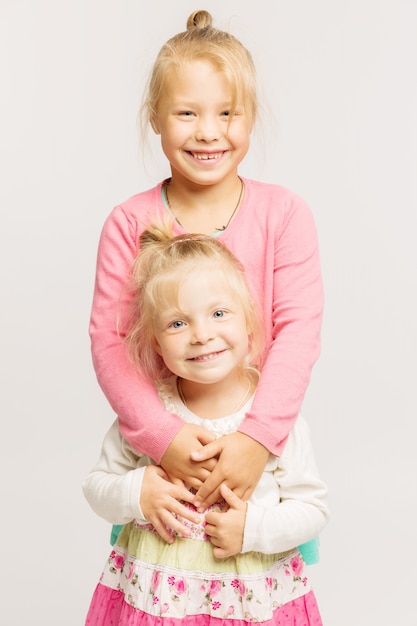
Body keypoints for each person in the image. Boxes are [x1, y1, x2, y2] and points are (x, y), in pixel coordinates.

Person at [89, 9, 324, 551]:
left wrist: (256, 440)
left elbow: (298, 333)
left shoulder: (284, 214)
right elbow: (109, 343)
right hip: (168, 477)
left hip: (253, 474)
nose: (209, 132)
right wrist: (164, 438)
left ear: (251, 116)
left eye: (227, 113)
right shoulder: (129, 223)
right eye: (188, 113)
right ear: (155, 116)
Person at [83, 224, 329, 625]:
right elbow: (96, 487)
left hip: (249, 605)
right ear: (156, 343)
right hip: (156, 603)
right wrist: (135, 491)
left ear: (249, 324)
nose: (201, 335)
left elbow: (312, 509)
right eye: (178, 323)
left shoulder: (270, 414)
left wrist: (253, 529)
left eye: (218, 314)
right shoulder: (151, 414)